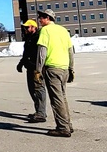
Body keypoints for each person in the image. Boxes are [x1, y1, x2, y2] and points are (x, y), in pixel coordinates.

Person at [34, 9, 74, 137]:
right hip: (64, 68)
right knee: (62, 97)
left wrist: (38, 70)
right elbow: (70, 51)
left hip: (52, 68)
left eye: (41, 17)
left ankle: (63, 128)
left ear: (47, 18)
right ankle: (68, 124)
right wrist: (71, 68)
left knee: (56, 99)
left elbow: (42, 52)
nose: (39, 20)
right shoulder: (63, 30)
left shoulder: (45, 31)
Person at [16, 19, 47, 123]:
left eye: (27, 27)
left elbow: (41, 53)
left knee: (39, 90)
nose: (25, 29)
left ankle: (41, 113)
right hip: (29, 67)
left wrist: (39, 67)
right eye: (25, 27)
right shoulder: (28, 38)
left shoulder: (39, 37)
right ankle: (39, 110)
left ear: (34, 27)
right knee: (32, 90)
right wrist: (21, 64)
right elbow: (26, 53)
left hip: (37, 68)